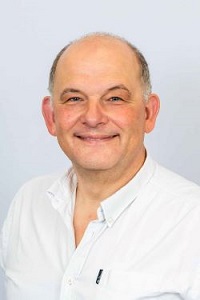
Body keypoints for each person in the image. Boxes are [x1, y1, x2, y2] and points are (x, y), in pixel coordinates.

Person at [1, 32, 200, 300]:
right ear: (51, 117)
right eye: (74, 99)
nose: (93, 117)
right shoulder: (28, 203)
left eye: (115, 98)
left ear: (148, 113)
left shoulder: (191, 220)